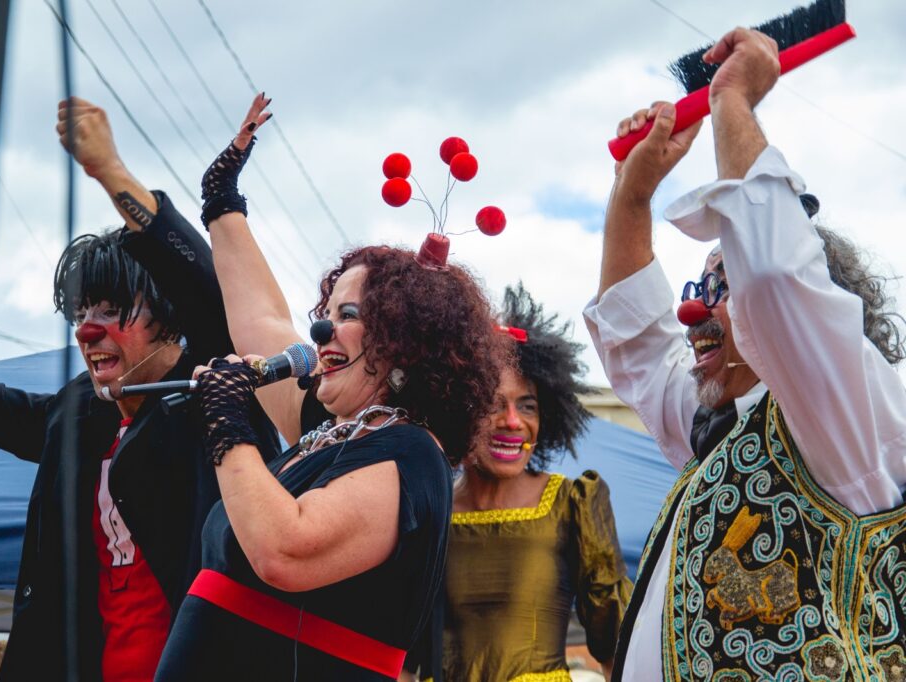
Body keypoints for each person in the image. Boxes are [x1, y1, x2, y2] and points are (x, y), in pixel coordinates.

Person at [584, 27, 906, 681]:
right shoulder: (716, 431)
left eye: (719, 289)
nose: (693, 312)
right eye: (697, 288)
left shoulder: (839, 419)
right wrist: (632, 194)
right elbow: (638, 344)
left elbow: (777, 282)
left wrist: (732, 103)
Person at [154, 94, 508, 681]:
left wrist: (228, 424)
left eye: (348, 313)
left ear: (405, 337)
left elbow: (284, 549)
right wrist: (222, 204)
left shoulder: (408, 451)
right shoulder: (327, 436)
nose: (321, 328)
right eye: (327, 310)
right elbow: (264, 319)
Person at [0, 98, 278, 681]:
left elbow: (205, 289)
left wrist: (110, 171)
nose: (89, 330)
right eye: (81, 311)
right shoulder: (77, 413)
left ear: (165, 318)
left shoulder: (210, 388)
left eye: (112, 309)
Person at [411, 284, 632, 682]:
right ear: (455, 410)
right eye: (492, 404)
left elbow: (615, 639)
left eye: (527, 405)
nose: (513, 422)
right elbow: (403, 654)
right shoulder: (428, 507)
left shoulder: (574, 502)